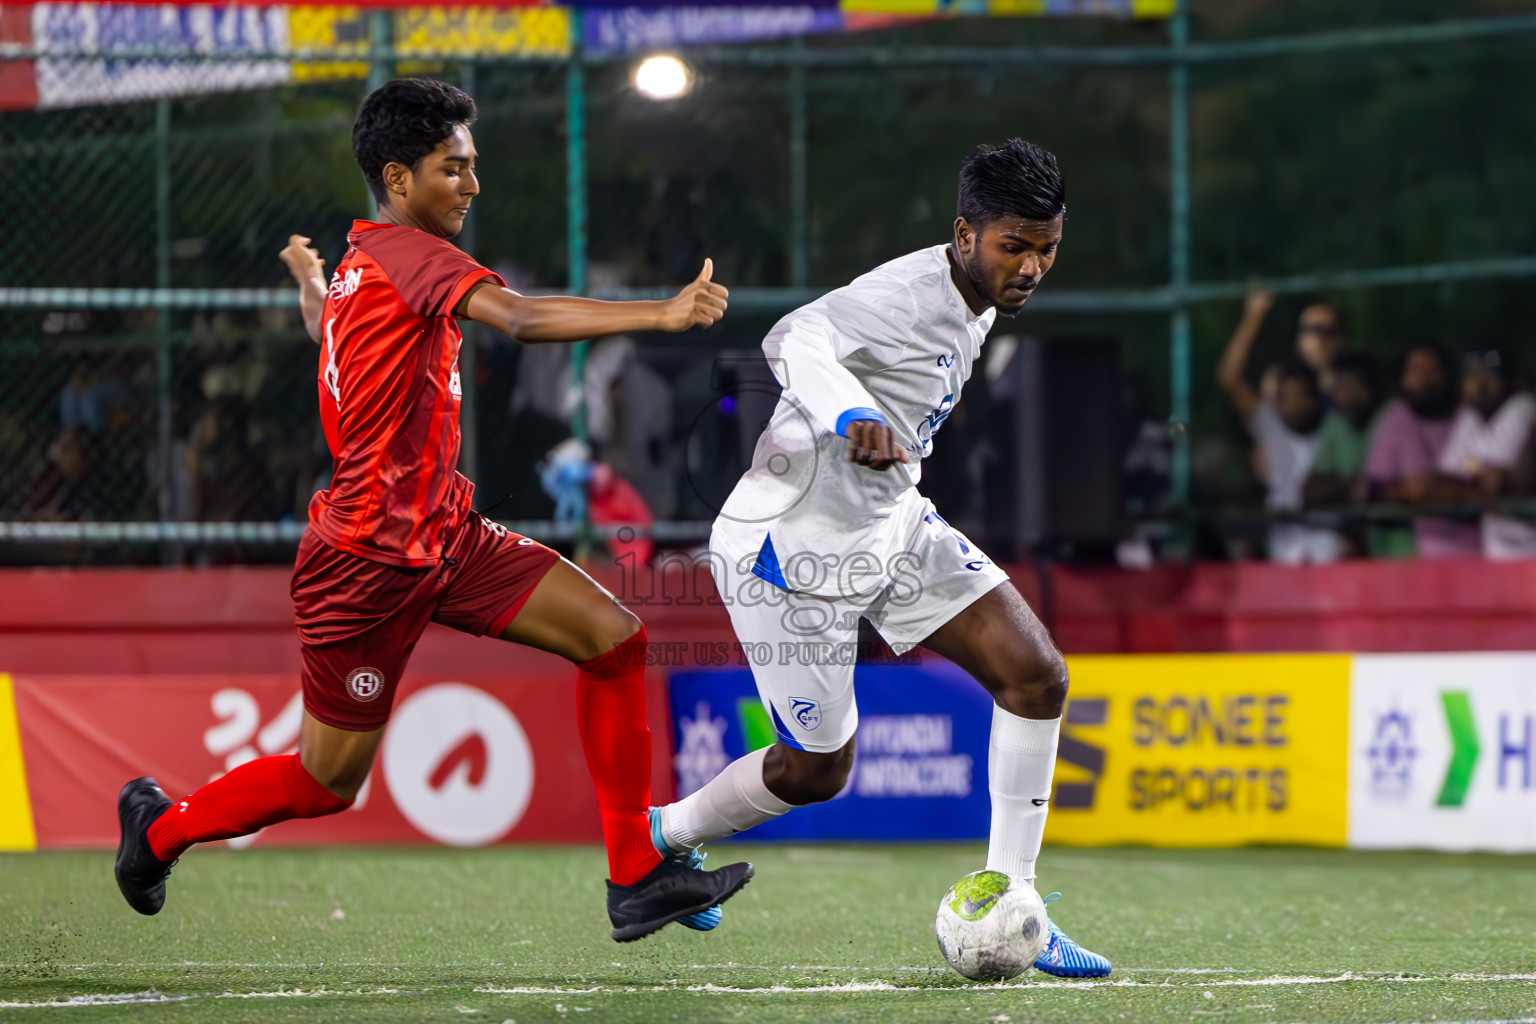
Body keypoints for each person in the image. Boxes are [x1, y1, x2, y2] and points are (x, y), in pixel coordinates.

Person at [113, 77, 750, 943]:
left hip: (446, 537)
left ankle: (634, 875)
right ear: (398, 178)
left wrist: (311, 283)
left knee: (615, 637)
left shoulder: (365, 265)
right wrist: (662, 311)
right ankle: (157, 831)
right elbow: (520, 319)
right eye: (454, 169)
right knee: (325, 782)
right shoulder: (416, 257)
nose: (472, 185)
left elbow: (330, 333)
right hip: (365, 566)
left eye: (473, 166)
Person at [650, 139, 1111, 978]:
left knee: (1037, 675)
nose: (1033, 266)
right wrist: (849, 412)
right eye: (1016, 245)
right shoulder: (906, 295)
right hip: (787, 550)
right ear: (965, 233)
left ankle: (1018, 905)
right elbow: (793, 337)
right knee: (816, 771)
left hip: (892, 525)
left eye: (1048, 246)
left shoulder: (979, 302)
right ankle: (667, 834)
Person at [1218, 309, 1342, 564]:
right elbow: (1230, 378)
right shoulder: (1271, 427)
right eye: (1286, 397)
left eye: (1301, 396)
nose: (1294, 404)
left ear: (1314, 398)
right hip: (1285, 555)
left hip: (1331, 554)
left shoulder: (1335, 426)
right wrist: (1253, 318)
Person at [1409, 348, 1536, 559]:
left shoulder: (1523, 407)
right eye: (1473, 375)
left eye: (1488, 375)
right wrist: (1473, 475)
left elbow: (1498, 481)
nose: (1480, 383)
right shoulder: (1470, 415)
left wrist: (1472, 474)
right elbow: (1447, 476)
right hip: (1496, 546)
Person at [1360, 345, 1458, 557]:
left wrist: (1431, 490)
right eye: (1416, 370)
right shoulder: (1396, 416)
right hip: (1405, 549)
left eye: (1431, 370)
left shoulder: (1466, 415)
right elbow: (1373, 485)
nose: (1424, 379)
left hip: (1469, 548)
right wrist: (1409, 492)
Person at [1303, 350, 1382, 506]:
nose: (1345, 393)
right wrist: (1348, 487)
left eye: (1352, 384)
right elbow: (1311, 487)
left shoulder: (1390, 416)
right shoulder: (1336, 422)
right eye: (1339, 385)